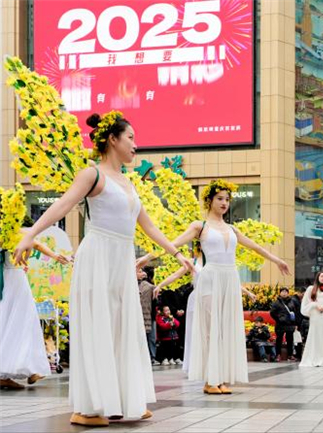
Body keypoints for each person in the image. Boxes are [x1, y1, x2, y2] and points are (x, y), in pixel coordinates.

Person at [13, 112, 194, 426]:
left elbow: (148, 226)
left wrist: (176, 254)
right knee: (98, 328)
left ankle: (122, 399)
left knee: (122, 328)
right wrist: (30, 234)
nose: (135, 146)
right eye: (130, 139)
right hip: (97, 256)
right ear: (113, 139)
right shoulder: (92, 174)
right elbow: (63, 204)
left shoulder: (128, 182)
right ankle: (89, 406)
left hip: (121, 259)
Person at [137, 178, 288, 394]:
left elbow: (255, 246)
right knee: (211, 329)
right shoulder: (200, 226)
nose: (224, 203)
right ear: (209, 200)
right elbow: (174, 242)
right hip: (210, 279)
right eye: (219, 198)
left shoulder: (232, 229)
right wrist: (147, 257)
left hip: (229, 278)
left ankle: (221, 377)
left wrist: (277, 260)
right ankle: (210, 380)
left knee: (226, 329)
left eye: (227, 199)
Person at [1, 230, 70, 390]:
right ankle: (29, 369)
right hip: (16, 279)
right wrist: (54, 255)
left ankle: (12, 372)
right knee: (24, 322)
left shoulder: (9, 234)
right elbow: (36, 244)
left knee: (8, 322)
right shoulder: (18, 233)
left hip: (5, 280)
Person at [271, 288, 299, 362]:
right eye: (282, 292)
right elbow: (272, 313)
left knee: (290, 340)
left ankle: (290, 355)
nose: (284, 293)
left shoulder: (292, 302)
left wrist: (295, 323)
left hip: (290, 324)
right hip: (280, 324)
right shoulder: (276, 302)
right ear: (280, 293)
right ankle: (278, 355)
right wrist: (279, 319)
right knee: (279, 340)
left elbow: (295, 313)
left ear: (288, 293)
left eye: (286, 292)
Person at [137, 268, 157, 365]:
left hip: (148, 315)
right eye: (139, 271)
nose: (142, 273)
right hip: (137, 315)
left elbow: (155, 299)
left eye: (142, 271)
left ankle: (151, 356)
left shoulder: (149, 286)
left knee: (150, 337)